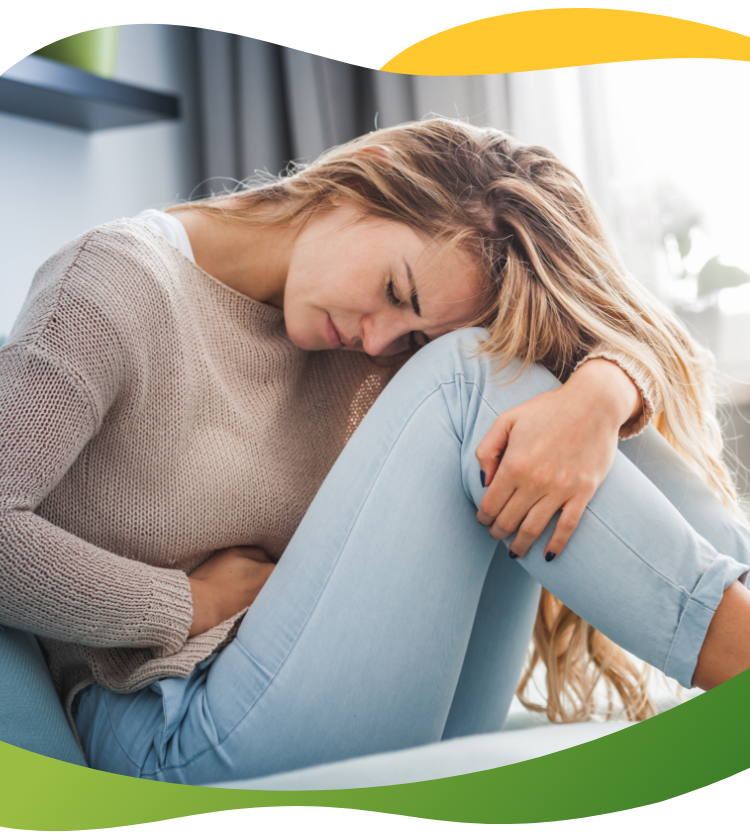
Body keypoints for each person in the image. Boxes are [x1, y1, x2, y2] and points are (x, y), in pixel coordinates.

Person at [1, 118, 749, 785]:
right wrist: (187, 602)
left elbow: (625, 338)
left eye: (412, 334)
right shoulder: (108, 287)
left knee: (523, 366)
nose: (382, 339)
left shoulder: (368, 339)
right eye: (397, 290)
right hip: (172, 731)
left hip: (345, 694)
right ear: (369, 179)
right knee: (475, 373)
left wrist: (602, 395)